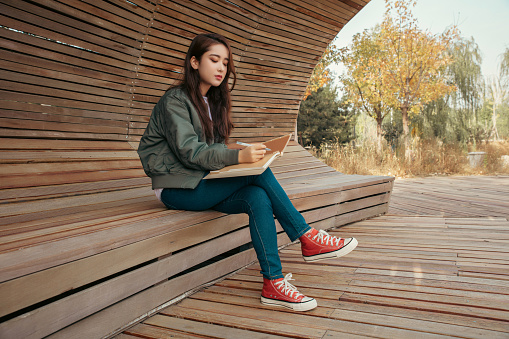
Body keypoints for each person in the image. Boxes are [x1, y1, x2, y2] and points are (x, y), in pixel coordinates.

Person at [137, 33, 358, 312]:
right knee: (257, 174)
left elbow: (211, 150)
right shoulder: (175, 101)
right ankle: (306, 236)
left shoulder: (211, 102)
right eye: (213, 60)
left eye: (225, 63)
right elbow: (190, 152)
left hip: (200, 182)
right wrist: (238, 157)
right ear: (194, 62)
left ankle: (273, 284)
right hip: (176, 188)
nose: (221, 68)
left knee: (257, 198)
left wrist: (242, 151)